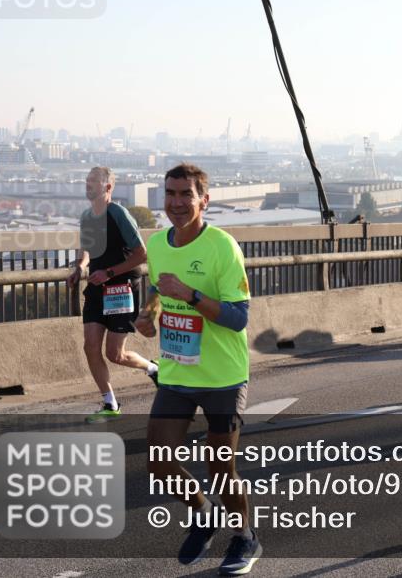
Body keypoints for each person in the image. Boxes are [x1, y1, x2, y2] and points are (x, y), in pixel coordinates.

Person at [135, 163, 261, 575]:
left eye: (186, 194)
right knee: (158, 460)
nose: (176, 202)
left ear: (203, 200)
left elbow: (238, 318)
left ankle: (245, 537)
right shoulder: (156, 244)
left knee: (221, 468)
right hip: (176, 372)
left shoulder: (222, 247)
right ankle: (203, 513)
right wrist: (147, 313)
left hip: (222, 376)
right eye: (170, 194)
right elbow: (157, 286)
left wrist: (189, 295)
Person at [66, 166, 157, 424]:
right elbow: (86, 249)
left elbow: (142, 254)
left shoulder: (118, 214)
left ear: (108, 187)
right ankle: (110, 403)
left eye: (93, 182)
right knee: (90, 346)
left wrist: (109, 272)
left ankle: (153, 368)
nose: (88, 185)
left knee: (115, 354)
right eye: (86, 181)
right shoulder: (86, 216)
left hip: (121, 286)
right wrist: (79, 268)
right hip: (96, 287)